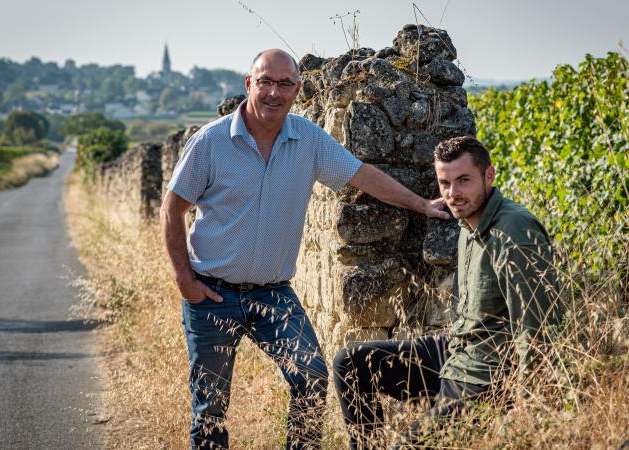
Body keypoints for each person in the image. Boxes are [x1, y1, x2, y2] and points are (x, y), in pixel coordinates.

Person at [160, 49, 449, 450]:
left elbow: (362, 175)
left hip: (272, 293)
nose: (273, 92)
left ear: (297, 90)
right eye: (265, 81)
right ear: (249, 84)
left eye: (284, 84)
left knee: (311, 376)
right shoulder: (210, 142)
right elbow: (172, 209)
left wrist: (422, 205)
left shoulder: (308, 139)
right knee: (210, 405)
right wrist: (184, 280)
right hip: (212, 293)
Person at [333, 135, 561, 449]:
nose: (453, 194)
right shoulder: (467, 222)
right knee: (351, 362)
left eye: (463, 181)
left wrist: (529, 404)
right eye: (445, 183)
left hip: (486, 374)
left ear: (489, 176)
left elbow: (539, 327)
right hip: (456, 352)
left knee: (406, 447)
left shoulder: (513, 231)